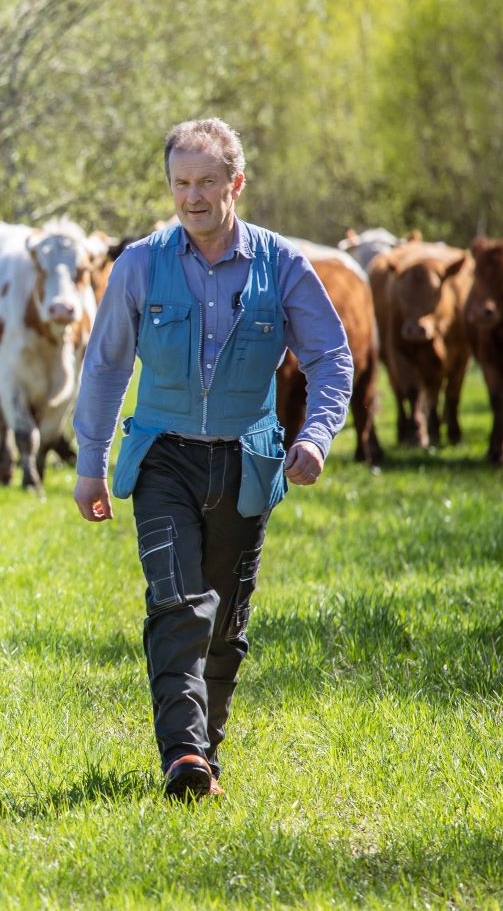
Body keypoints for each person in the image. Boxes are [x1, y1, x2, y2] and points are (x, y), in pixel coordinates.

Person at [73, 119, 352, 801]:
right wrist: (90, 462)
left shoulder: (280, 265)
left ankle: (206, 750)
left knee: (223, 624)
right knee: (176, 603)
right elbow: (106, 365)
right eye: (179, 183)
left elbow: (329, 357)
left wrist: (313, 436)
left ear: (235, 183)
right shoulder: (140, 263)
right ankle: (183, 757)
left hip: (245, 461)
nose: (191, 197)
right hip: (162, 455)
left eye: (204, 183)